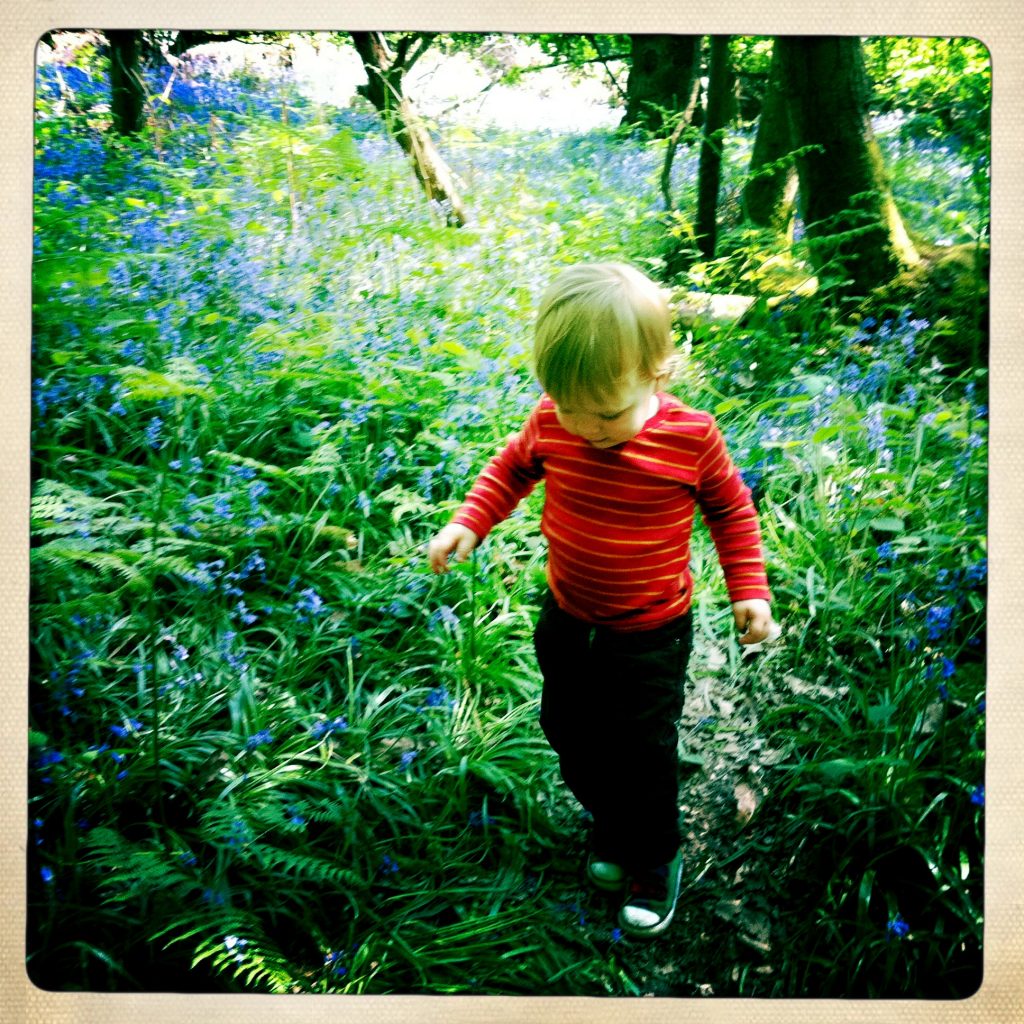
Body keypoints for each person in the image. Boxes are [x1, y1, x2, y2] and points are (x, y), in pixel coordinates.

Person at [427, 262, 776, 938]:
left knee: (641, 752)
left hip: (649, 633)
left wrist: (750, 591)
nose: (587, 428)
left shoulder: (690, 439)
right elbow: (511, 468)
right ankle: (617, 827)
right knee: (568, 728)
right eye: (570, 408)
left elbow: (733, 511)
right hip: (569, 617)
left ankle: (652, 857)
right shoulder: (556, 421)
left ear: (658, 370)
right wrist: (469, 521)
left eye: (607, 413)